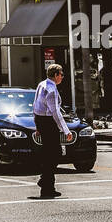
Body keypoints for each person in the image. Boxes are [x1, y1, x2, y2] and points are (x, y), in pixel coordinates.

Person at [33, 62, 70, 199]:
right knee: (54, 154)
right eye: (61, 75)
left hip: (41, 120)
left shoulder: (41, 85)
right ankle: (45, 181)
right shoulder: (52, 90)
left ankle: (48, 186)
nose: (62, 77)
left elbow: (35, 106)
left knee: (49, 154)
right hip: (49, 123)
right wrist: (66, 131)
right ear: (56, 75)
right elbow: (56, 112)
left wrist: (37, 126)